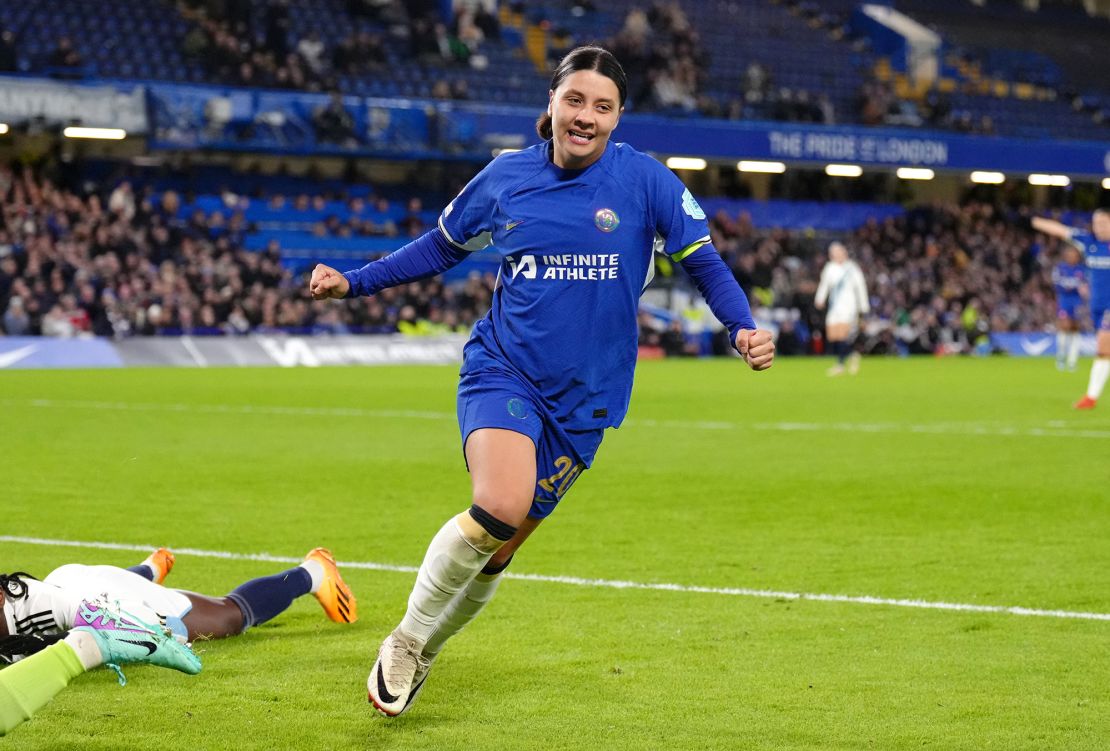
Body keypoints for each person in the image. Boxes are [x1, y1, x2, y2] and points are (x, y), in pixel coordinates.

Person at [309, 45, 775, 717]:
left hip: (588, 398)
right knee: (498, 503)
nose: (586, 116)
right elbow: (439, 247)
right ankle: (406, 640)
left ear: (618, 118)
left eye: (603, 106)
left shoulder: (646, 181)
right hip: (506, 369)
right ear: (552, 104)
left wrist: (740, 326)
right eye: (576, 100)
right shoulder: (505, 177)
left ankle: (430, 646)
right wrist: (354, 283)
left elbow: (703, 261)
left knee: (500, 549)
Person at [1, 547, 357, 655]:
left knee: (228, 617)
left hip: (102, 599)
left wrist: (167, 632)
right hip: (72, 581)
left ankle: (312, 572)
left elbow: (112, 618)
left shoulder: (42, 604)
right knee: (104, 590)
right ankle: (148, 569)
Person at [0, 583, 201, 736]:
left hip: (125, 611)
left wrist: (48, 642)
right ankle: (150, 568)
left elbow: (96, 614)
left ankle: (89, 644)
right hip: (78, 585)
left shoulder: (40, 601)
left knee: (222, 616)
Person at [1033, 211, 1110, 408]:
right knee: (1104, 352)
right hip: (1097, 307)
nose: (1099, 226)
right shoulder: (1088, 243)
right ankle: (1091, 397)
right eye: (1096, 223)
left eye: (1103, 222)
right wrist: (1035, 221)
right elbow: (1061, 231)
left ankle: (1091, 398)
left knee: (1103, 347)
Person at [814, 241, 869, 376]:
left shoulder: (852, 268)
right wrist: (820, 299)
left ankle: (840, 364)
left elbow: (860, 288)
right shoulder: (830, 268)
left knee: (843, 335)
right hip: (834, 307)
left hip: (849, 307)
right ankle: (852, 355)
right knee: (834, 336)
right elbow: (824, 285)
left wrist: (863, 307)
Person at [1051, 245, 1087, 372]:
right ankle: (1061, 356)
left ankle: (1072, 361)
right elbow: (1056, 284)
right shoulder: (1060, 268)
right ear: (1066, 255)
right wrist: (1072, 286)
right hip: (1064, 301)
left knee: (1075, 329)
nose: (1073, 257)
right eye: (1071, 254)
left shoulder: (1082, 269)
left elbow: (1085, 285)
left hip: (1077, 302)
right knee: (1064, 326)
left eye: (1075, 255)